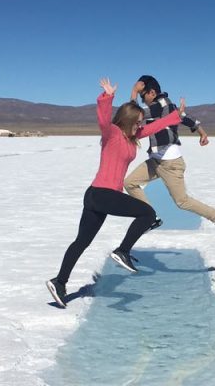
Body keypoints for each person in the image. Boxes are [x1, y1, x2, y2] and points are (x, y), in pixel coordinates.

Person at [46, 77, 187, 308]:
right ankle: (122, 251)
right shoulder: (111, 133)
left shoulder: (133, 136)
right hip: (101, 193)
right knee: (147, 214)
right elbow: (103, 119)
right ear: (128, 119)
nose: (140, 125)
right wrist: (107, 97)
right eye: (137, 121)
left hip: (97, 196)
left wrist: (175, 117)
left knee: (82, 241)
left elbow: (153, 127)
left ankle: (59, 283)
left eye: (140, 122)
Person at [124, 75, 215, 236]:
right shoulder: (166, 107)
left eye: (142, 95)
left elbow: (135, 114)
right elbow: (185, 119)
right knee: (130, 183)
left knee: (182, 201)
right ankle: (151, 217)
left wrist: (133, 92)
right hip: (156, 161)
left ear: (151, 92)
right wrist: (202, 132)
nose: (142, 99)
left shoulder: (161, 104)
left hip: (171, 165)